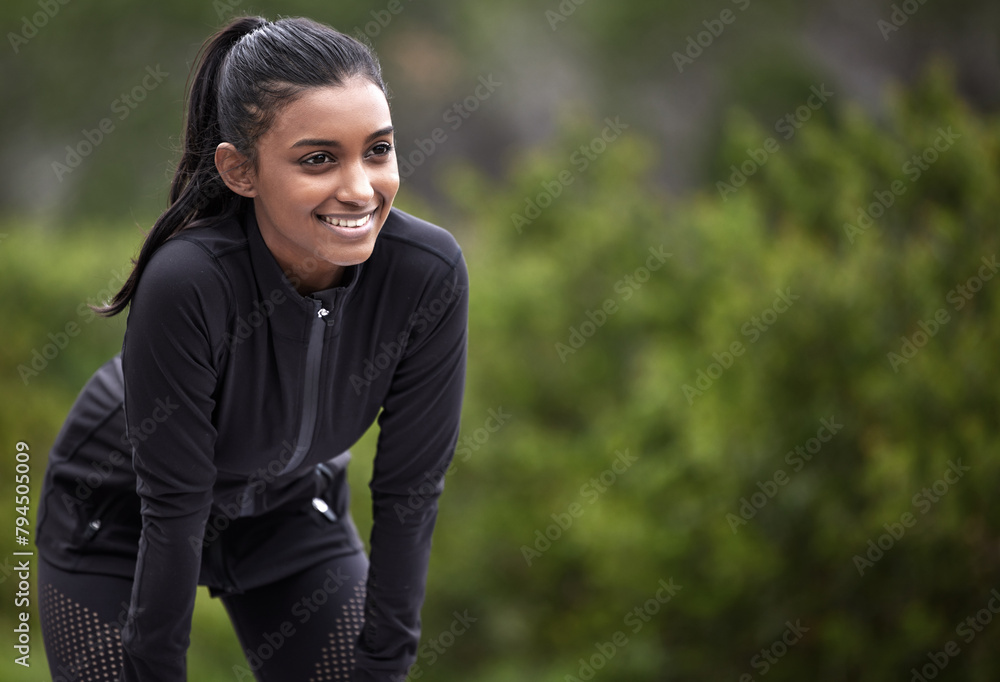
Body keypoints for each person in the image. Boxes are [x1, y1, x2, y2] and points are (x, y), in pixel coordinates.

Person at [34, 15, 468, 682]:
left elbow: (411, 489)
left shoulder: (425, 274)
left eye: (377, 150)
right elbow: (173, 509)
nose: (360, 187)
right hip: (120, 512)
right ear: (240, 170)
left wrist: (383, 667)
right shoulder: (189, 282)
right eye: (318, 159)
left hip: (289, 508)